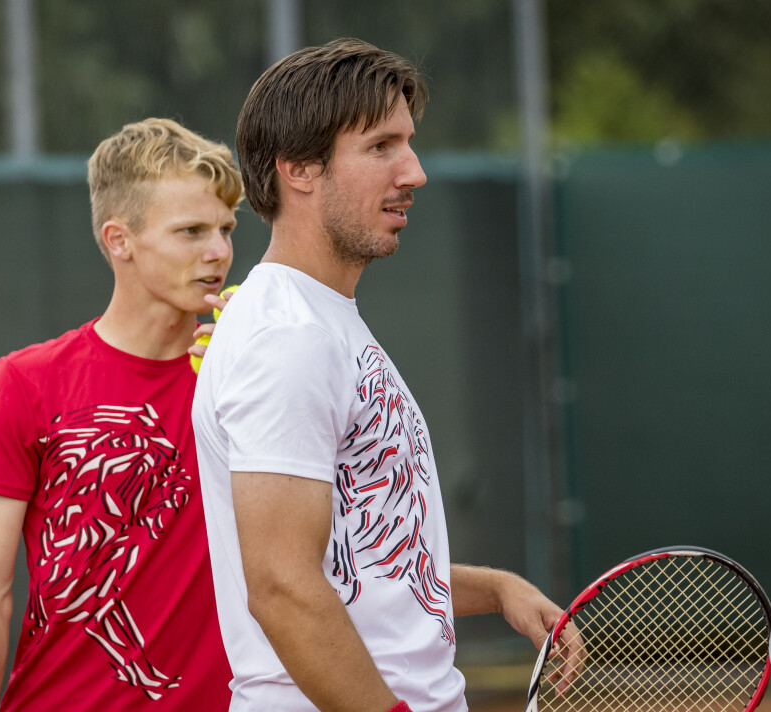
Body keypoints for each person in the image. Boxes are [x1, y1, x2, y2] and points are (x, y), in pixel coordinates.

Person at [191, 38, 583, 712]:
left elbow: (362, 563)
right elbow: (283, 585)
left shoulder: (322, 320)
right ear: (300, 170)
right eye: (382, 147)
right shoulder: (288, 335)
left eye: (409, 143)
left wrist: (495, 589)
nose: (414, 171)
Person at [0, 118, 241, 711]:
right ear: (119, 240)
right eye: (191, 231)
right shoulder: (26, 382)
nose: (219, 252)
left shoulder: (246, 377)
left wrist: (260, 361)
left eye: (226, 229)